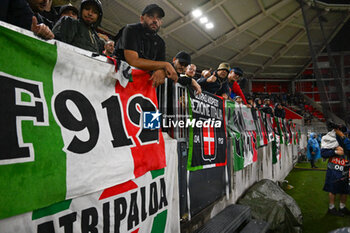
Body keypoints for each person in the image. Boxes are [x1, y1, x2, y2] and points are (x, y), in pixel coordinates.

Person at [114, 4, 177, 87]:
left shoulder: (160, 42)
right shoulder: (130, 30)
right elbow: (133, 61)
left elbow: (160, 65)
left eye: (158, 18)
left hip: (141, 86)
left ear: (161, 23)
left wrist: (161, 70)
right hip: (117, 81)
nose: (155, 20)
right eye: (151, 16)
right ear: (142, 18)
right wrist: (166, 65)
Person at [321, 124, 350, 216]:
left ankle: (342, 207)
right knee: (333, 189)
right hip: (334, 169)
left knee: (345, 189)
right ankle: (331, 208)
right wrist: (335, 151)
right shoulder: (329, 138)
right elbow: (323, 153)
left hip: (346, 168)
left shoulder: (346, 137)